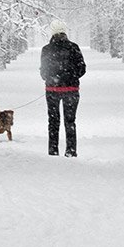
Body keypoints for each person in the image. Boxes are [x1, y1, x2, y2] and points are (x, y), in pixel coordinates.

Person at [40, 19, 86, 157]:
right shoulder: (74, 47)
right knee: (70, 121)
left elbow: (43, 72)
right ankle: (71, 151)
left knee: (53, 121)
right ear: (65, 32)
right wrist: (71, 77)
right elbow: (82, 68)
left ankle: (53, 151)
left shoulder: (46, 50)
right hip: (71, 91)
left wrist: (53, 78)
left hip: (52, 91)